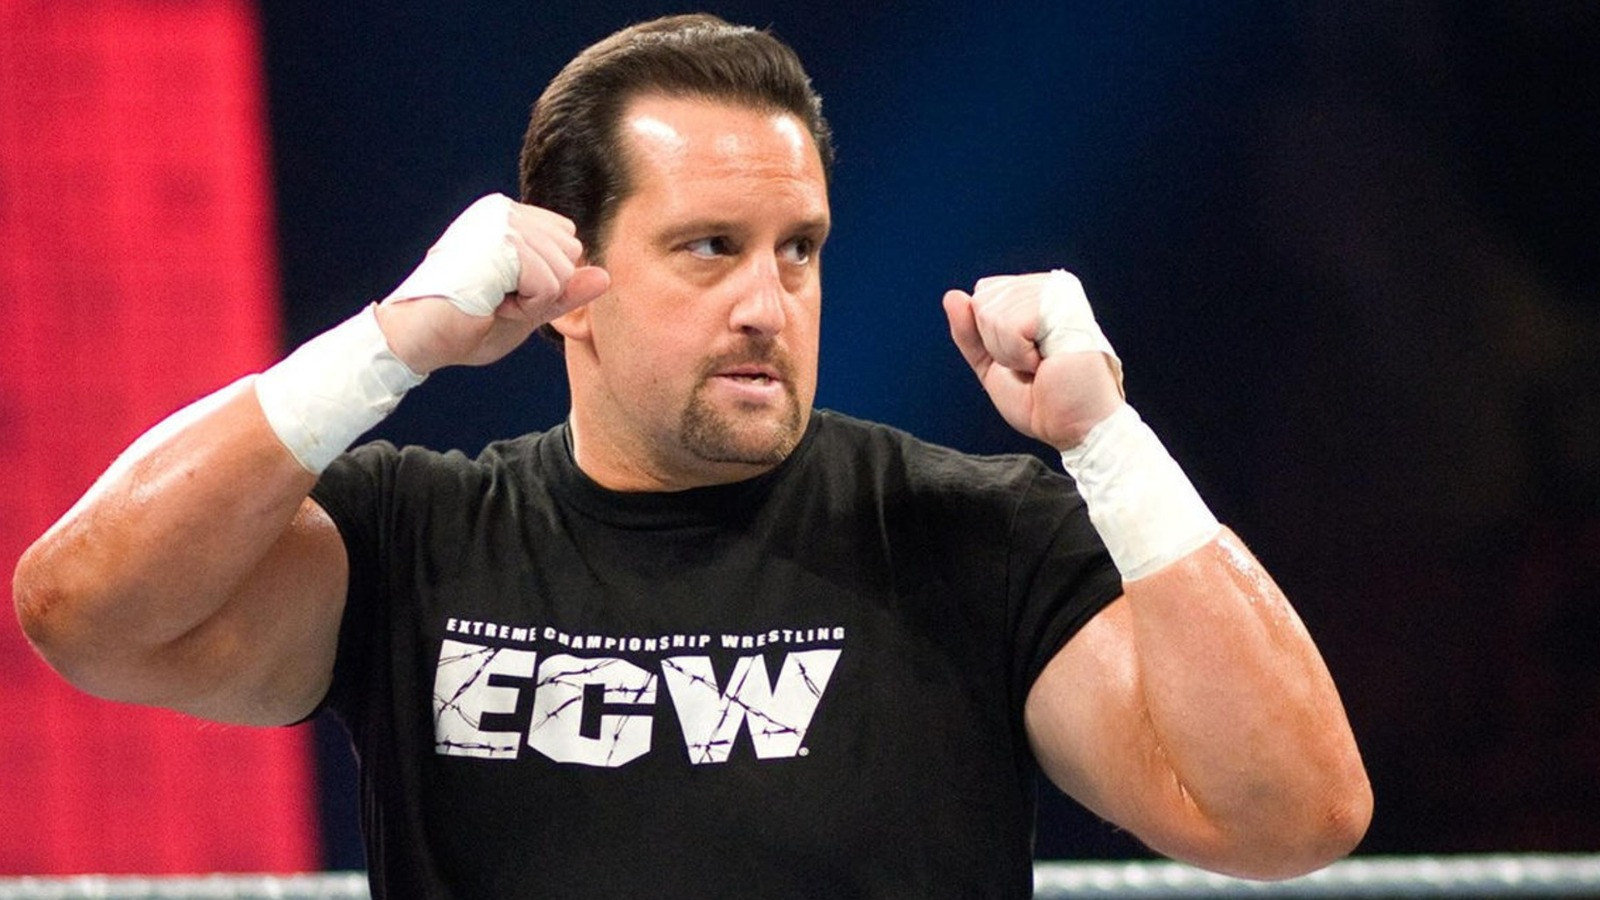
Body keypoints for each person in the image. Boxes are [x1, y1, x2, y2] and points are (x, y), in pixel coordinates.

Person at [13, 13, 1370, 899]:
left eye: (799, 251)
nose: (768, 304)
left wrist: (1108, 441)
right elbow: (84, 612)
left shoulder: (967, 531)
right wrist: (386, 346)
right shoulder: (415, 541)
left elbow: (1294, 817)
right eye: (710, 248)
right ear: (565, 281)